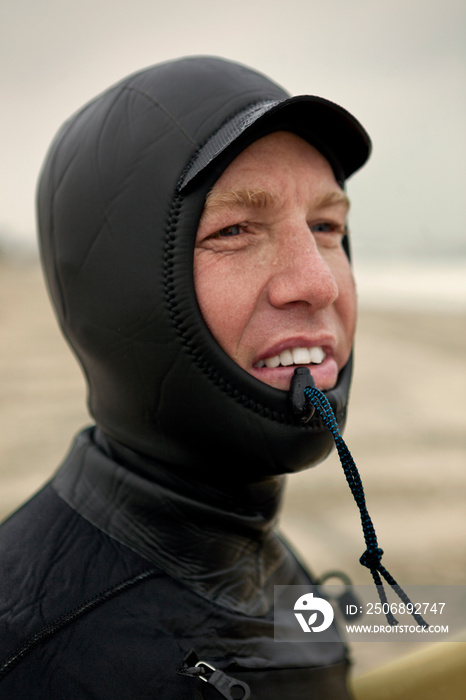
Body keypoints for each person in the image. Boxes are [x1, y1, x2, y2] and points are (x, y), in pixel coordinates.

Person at [0, 56, 371, 698]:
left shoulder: (259, 556)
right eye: (234, 229)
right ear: (122, 287)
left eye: (325, 226)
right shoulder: (34, 656)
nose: (317, 282)